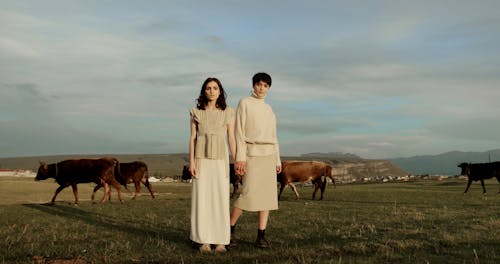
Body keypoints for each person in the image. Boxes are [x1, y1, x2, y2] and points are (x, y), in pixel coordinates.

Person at [230, 72, 281, 248]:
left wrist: (278, 160)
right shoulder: (244, 103)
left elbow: (274, 136)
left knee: (267, 197)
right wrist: (240, 157)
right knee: (247, 194)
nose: (262, 88)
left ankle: (261, 236)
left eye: (266, 85)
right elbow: (239, 133)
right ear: (253, 85)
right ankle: (229, 230)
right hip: (251, 154)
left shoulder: (269, 109)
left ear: (269, 88)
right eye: (259, 84)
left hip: (269, 155)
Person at [189, 77, 236, 253]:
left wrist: (237, 158)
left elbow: (231, 138)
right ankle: (205, 241)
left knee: (220, 198)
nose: (211, 91)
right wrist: (192, 162)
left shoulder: (228, 112)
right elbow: (192, 138)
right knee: (203, 199)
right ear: (204, 91)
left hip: (220, 160)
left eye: (215, 88)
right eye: (208, 88)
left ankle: (221, 241)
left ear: (220, 91)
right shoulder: (196, 112)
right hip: (201, 159)